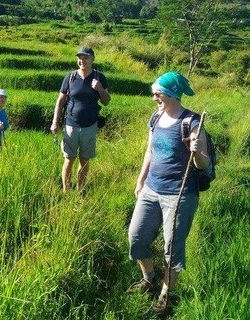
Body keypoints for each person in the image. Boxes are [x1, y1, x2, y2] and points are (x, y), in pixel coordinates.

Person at [127, 71, 210, 312]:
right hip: (151, 190)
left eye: (158, 93)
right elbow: (150, 152)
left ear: (172, 94)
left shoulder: (191, 122)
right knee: (136, 238)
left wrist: (196, 151)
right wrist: (140, 181)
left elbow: (203, 164)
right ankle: (150, 278)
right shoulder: (155, 118)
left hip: (179, 195)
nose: (154, 97)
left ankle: (166, 293)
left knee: (172, 247)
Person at [50, 47, 111, 193]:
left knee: (84, 160)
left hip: (90, 125)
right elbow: (61, 100)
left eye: (86, 58)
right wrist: (55, 121)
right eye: (80, 58)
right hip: (70, 124)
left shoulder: (99, 77)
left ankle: (80, 190)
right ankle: (66, 191)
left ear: (92, 59)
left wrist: (100, 88)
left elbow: (106, 101)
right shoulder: (70, 77)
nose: (82, 60)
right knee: (69, 159)